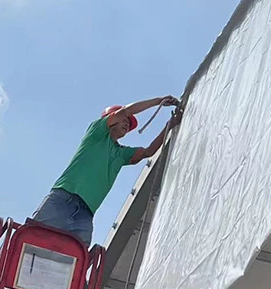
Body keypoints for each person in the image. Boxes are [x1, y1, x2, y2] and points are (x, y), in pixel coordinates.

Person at [32, 96, 182, 248]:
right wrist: (158, 101)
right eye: (124, 120)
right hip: (63, 199)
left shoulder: (121, 153)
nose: (127, 124)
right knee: (34, 238)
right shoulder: (96, 133)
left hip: (86, 213)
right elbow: (126, 111)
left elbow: (148, 152)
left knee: (75, 255)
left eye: (128, 124)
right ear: (110, 119)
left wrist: (170, 125)